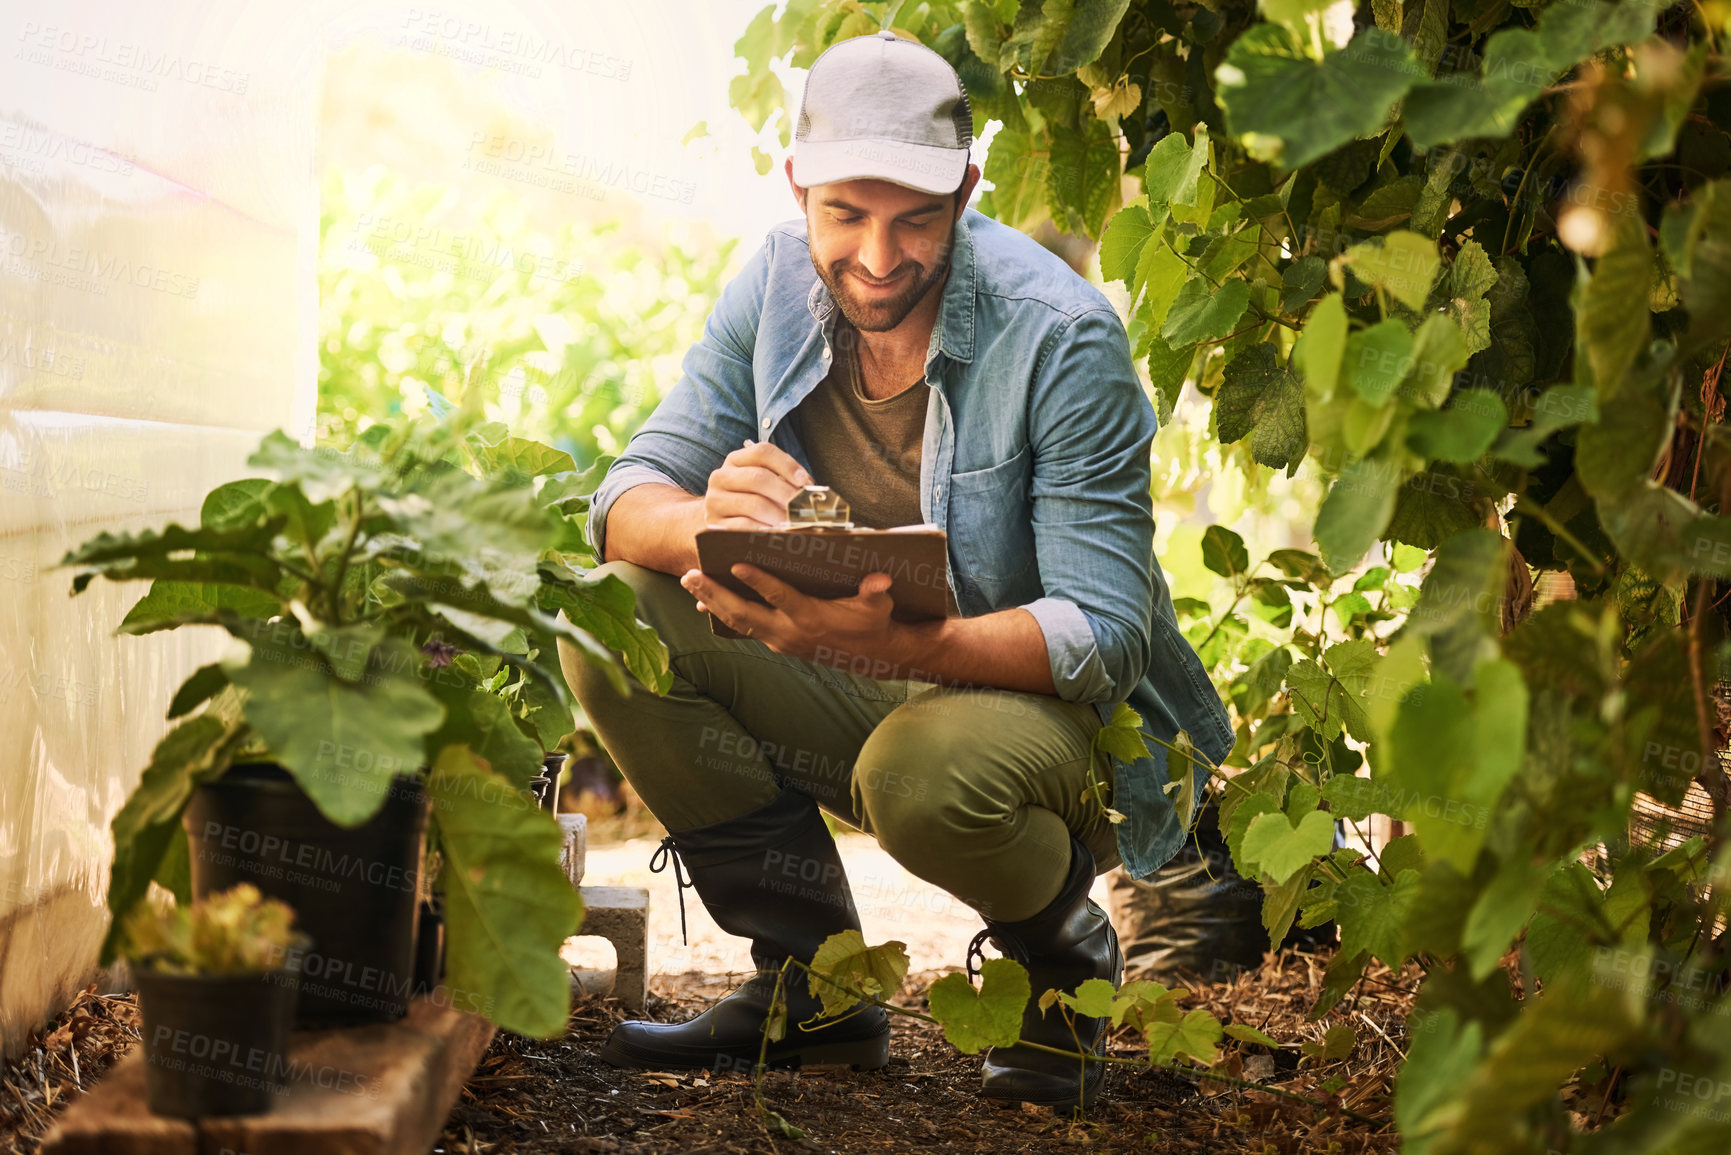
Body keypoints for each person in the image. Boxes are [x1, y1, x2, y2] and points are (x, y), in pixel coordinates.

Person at [557, 29, 1233, 1109]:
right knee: (609, 614)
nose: (878, 257)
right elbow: (625, 496)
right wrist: (705, 525)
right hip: (874, 674)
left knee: (919, 775)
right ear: (799, 187)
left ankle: (1061, 970)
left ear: (967, 190)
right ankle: (815, 993)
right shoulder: (773, 283)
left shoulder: (1061, 336)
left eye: (916, 218)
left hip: (1049, 719)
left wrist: (909, 644)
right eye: (846, 216)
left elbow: (1106, 636)